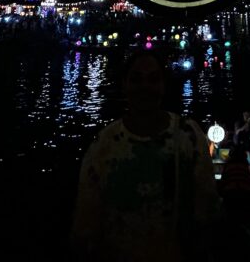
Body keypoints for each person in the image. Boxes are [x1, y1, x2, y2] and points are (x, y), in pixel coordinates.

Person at [70, 49, 221, 262]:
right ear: (124, 84)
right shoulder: (103, 145)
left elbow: (207, 209)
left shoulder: (189, 136)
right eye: (136, 79)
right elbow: (86, 221)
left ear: (163, 85)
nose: (145, 87)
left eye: (153, 79)